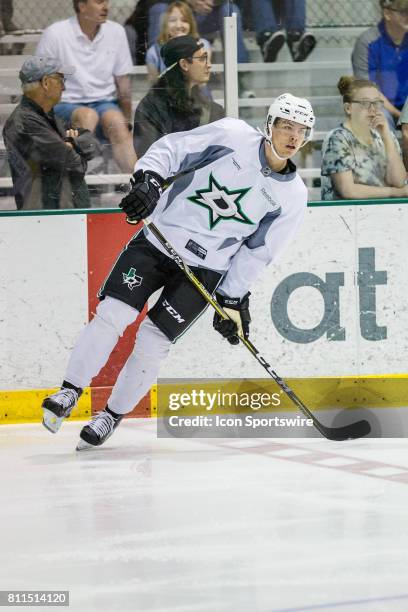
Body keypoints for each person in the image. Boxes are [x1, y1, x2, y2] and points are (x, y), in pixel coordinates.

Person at [40, 91, 315, 450]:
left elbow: (257, 253)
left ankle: (111, 415)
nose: (293, 136)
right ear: (269, 125)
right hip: (158, 241)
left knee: (154, 343)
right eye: (286, 126)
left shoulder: (293, 195)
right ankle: (69, 391)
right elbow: (174, 149)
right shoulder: (232, 136)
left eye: (302, 130)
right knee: (112, 315)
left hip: (204, 271)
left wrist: (232, 298)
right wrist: (149, 180)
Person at [36, 0, 137, 173]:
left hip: (104, 102)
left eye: (107, 1)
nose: (106, 7)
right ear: (82, 6)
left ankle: (141, 187)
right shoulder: (56, 33)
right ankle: (72, 182)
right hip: (63, 104)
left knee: (117, 124)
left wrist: (127, 121)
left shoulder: (116, 32)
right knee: (87, 116)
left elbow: (123, 84)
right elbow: (40, 81)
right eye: (99, 2)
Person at [3, 56, 95, 210]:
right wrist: (73, 149)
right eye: (60, 80)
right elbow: (74, 164)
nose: (63, 87)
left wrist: (71, 144)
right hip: (46, 218)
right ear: (45, 82)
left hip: (61, 215)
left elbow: (91, 143)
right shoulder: (25, 122)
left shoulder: (50, 118)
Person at [133, 35, 224, 157]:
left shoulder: (214, 111)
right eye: (202, 59)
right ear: (184, 64)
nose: (209, 65)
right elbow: (148, 158)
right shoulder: (151, 108)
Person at [321, 76, 408, 201]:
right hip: (345, 216)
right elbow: (348, 191)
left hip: (384, 215)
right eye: (365, 103)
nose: (373, 109)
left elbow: (399, 182)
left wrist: (386, 136)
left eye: (377, 103)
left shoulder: (387, 136)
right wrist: (395, 193)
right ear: (348, 108)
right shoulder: (338, 138)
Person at [352, 0, 408, 126]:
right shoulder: (367, 42)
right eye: (404, 12)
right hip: (380, 106)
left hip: (407, 108)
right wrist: (401, 116)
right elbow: (367, 90)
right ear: (387, 13)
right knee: (377, 114)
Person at [144, 1, 211, 83]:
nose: (178, 25)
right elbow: (154, 84)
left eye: (184, 20)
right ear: (165, 25)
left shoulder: (203, 45)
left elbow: (202, 83)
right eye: (172, 20)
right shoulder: (154, 52)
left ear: (191, 24)